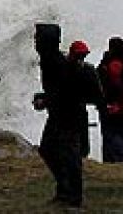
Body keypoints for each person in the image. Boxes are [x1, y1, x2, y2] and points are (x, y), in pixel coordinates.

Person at [33, 23, 85, 208]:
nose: (35, 42)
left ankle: (73, 195)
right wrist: (44, 98)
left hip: (67, 115)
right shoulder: (52, 60)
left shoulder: (54, 62)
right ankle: (66, 190)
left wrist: (44, 100)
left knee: (66, 153)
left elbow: (63, 91)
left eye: (37, 38)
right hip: (61, 114)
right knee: (51, 150)